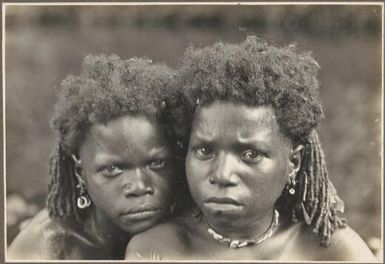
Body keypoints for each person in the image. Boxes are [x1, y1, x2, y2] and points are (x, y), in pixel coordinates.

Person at [125, 36, 377, 261]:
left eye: (250, 154)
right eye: (205, 151)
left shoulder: (334, 252)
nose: (222, 174)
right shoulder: (157, 249)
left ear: (294, 163)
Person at [8, 54, 188, 260]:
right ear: (80, 174)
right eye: (111, 169)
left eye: (156, 163)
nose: (139, 186)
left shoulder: (195, 228)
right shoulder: (46, 251)